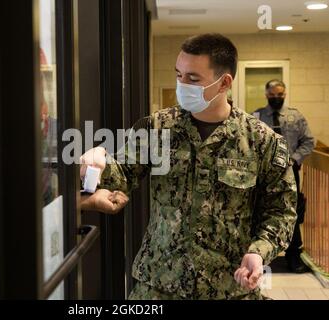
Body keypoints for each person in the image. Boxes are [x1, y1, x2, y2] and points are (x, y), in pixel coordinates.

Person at [80, 34, 297, 300]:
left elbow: (281, 212)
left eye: (193, 79)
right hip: (158, 284)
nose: (182, 85)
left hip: (229, 288)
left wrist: (258, 251)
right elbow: (122, 175)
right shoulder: (157, 128)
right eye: (178, 75)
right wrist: (95, 166)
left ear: (224, 83)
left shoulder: (262, 141)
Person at [252, 80, 315, 273]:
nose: (276, 98)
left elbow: (308, 141)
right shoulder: (257, 116)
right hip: (263, 173)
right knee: (260, 210)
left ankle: (293, 257)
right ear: (266, 94)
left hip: (290, 171)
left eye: (279, 94)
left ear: (285, 93)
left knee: (291, 212)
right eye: (272, 94)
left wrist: (295, 160)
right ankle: (259, 255)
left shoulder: (295, 116)